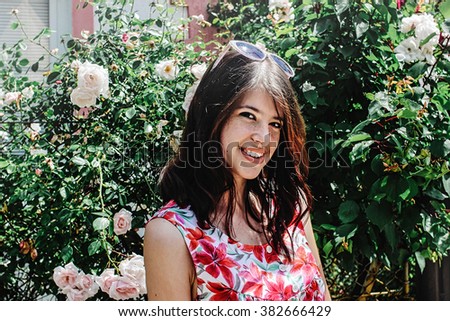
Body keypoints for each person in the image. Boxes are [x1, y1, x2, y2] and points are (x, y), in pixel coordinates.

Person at [143, 40, 331, 301]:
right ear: (212, 116)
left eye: (275, 124)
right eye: (249, 116)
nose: (264, 137)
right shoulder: (173, 234)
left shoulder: (290, 207)